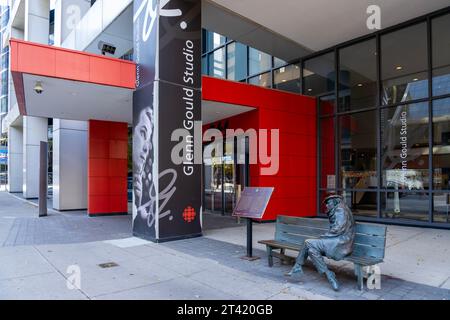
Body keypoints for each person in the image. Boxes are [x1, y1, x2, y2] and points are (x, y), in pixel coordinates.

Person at [286, 195, 355, 291]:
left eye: (328, 203)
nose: (326, 206)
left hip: (340, 244)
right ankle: (329, 275)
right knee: (311, 250)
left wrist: (322, 237)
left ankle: (297, 267)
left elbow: (338, 229)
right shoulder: (340, 209)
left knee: (308, 242)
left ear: (335, 202)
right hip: (338, 242)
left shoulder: (340, 210)